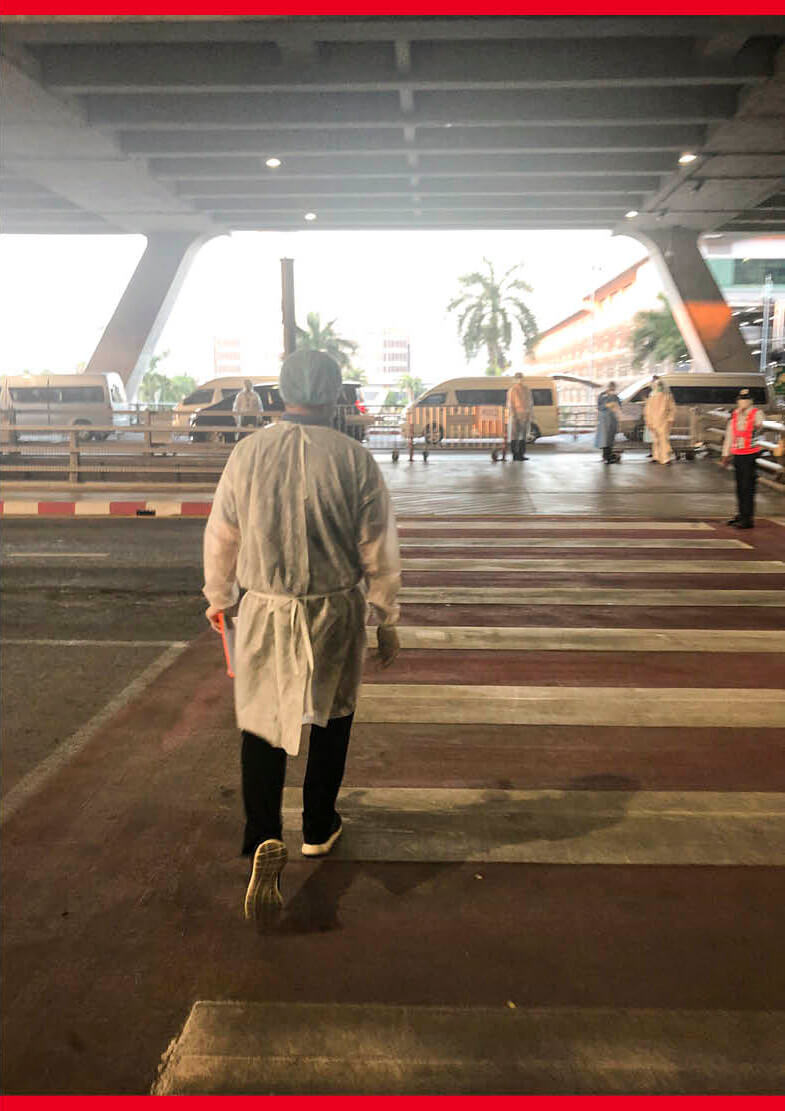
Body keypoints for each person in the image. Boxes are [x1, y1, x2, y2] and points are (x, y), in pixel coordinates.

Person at [203, 349, 402, 927]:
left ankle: (263, 833)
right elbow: (378, 543)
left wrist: (219, 597)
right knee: (332, 715)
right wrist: (386, 614)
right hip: (334, 609)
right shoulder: (354, 458)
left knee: (262, 721)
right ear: (336, 395)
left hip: (265, 609)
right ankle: (318, 826)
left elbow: (223, 532)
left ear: (280, 395)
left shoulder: (248, 454)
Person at [721, 387, 764, 529]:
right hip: (738, 455)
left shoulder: (756, 413)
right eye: (741, 399)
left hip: (750, 455)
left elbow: (759, 427)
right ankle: (741, 514)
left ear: (751, 401)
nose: (743, 402)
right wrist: (725, 454)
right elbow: (730, 435)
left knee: (748, 487)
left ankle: (747, 518)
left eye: (745, 399)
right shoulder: (735, 414)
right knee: (740, 487)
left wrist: (749, 418)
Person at [643, 378, 676, 464]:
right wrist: (648, 420)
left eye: (658, 385)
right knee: (656, 439)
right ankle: (656, 456)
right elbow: (647, 410)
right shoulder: (652, 396)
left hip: (663, 421)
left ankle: (666, 458)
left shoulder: (667, 396)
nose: (657, 387)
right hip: (654, 421)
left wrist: (670, 418)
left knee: (663, 439)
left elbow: (672, 408)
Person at [507, 372, 533, 461]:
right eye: (518, 378)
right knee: (514, 435)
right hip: (516, 415)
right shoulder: (512, 390)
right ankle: (515, 455)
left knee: (523, 435)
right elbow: (510, 404)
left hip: (525, 415)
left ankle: (521, 454)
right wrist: (513, 414)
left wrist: (529, 415)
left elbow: (530, 403)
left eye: (521, 378)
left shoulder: (527, 390)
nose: (520, 380)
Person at [595, 380, 621, 464]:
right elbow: (599, 407)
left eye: (613, 388)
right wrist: (607, 405)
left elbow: (619, 406)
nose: (612, 389)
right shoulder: (602, 395)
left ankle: (608, 456)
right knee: (604, 439)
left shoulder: (615, 396)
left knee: (610, 438)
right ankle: (606, 456)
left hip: (612, 419)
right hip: (604, 420)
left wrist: (616, 407)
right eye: (611, 387)